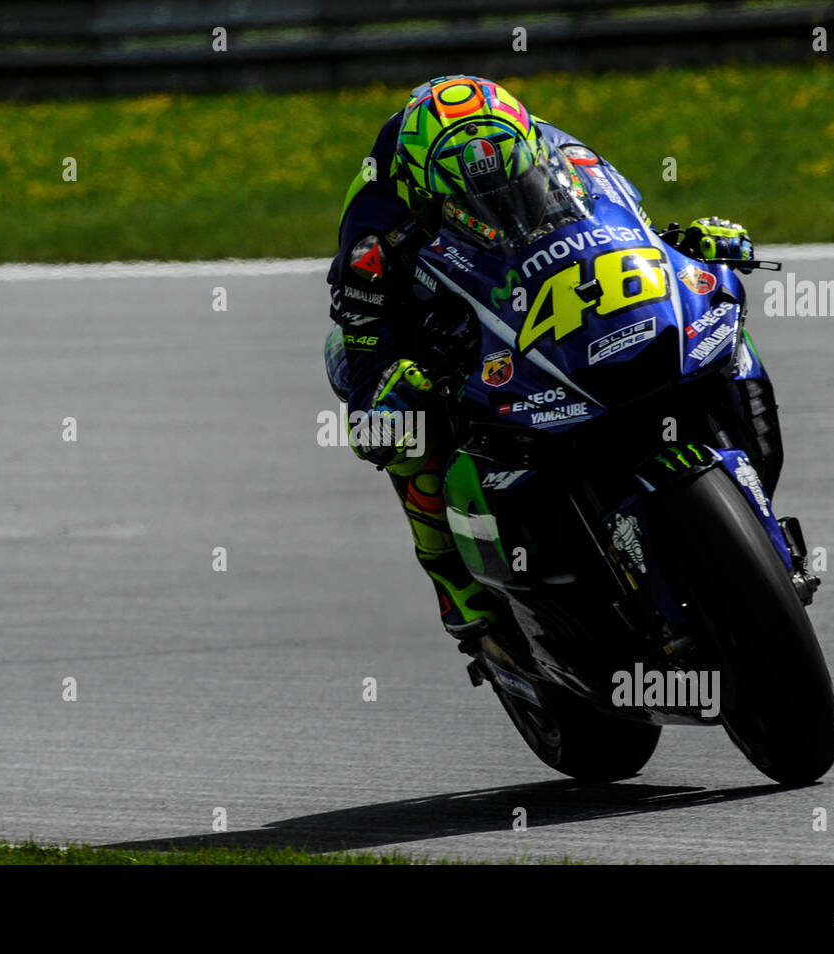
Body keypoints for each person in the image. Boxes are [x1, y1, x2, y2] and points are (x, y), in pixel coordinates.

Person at [323, 74, 767, 651]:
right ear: (425, 190)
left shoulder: (564, 154)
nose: (496, 200)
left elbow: (627, 227)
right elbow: (362, 333)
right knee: (403, 426)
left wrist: (687, 245)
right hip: (430, 322)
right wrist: (380, 392)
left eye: (510, 183)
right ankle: (455, 584)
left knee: (711, 306)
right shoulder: (374, 225)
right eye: (470, 195)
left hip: (549, 291)